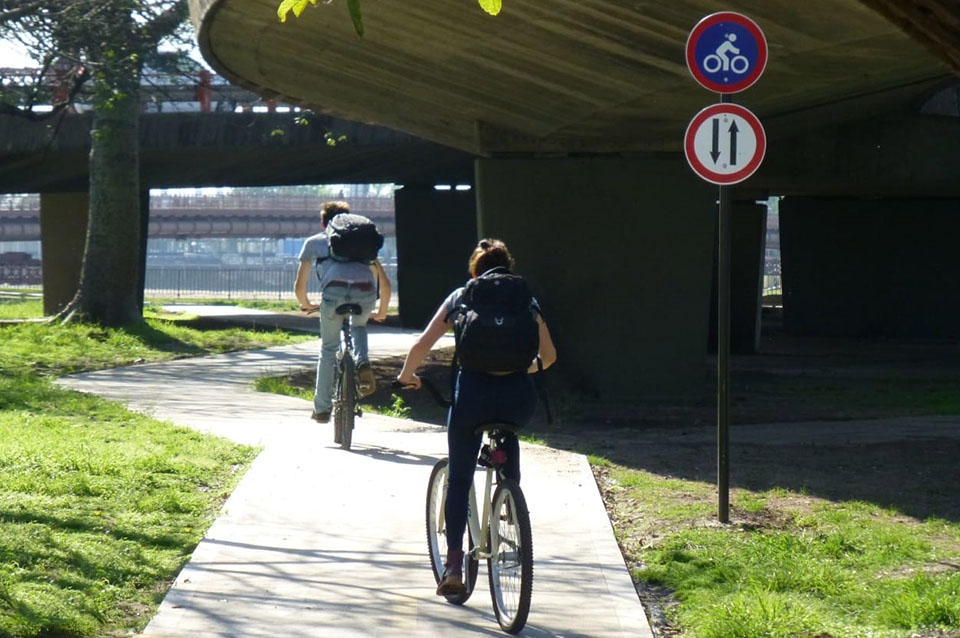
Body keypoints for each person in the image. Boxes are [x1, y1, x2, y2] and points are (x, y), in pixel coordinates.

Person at [396, 238, 557, 596]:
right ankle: (509, 497)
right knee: (507, 430)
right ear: (508, 269)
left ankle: (454, 565)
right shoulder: (526, 300)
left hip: (472, 398)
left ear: (474, 272)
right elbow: (549, 357)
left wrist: (406, 376)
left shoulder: (461, 296)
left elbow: (422, 345)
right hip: (518, 400)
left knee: (459, 478)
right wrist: (520, 370)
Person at [295, 200, 391, 423]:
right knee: (358, 326)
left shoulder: (314, 242)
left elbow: (300, 286)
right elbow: (385, 284)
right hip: (365, 292)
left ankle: (322, 409)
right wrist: (382, 311)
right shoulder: (360, 243)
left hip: (333, 293)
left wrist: (306, 304)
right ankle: (362, 362)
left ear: (323, 223)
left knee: (329, 348)